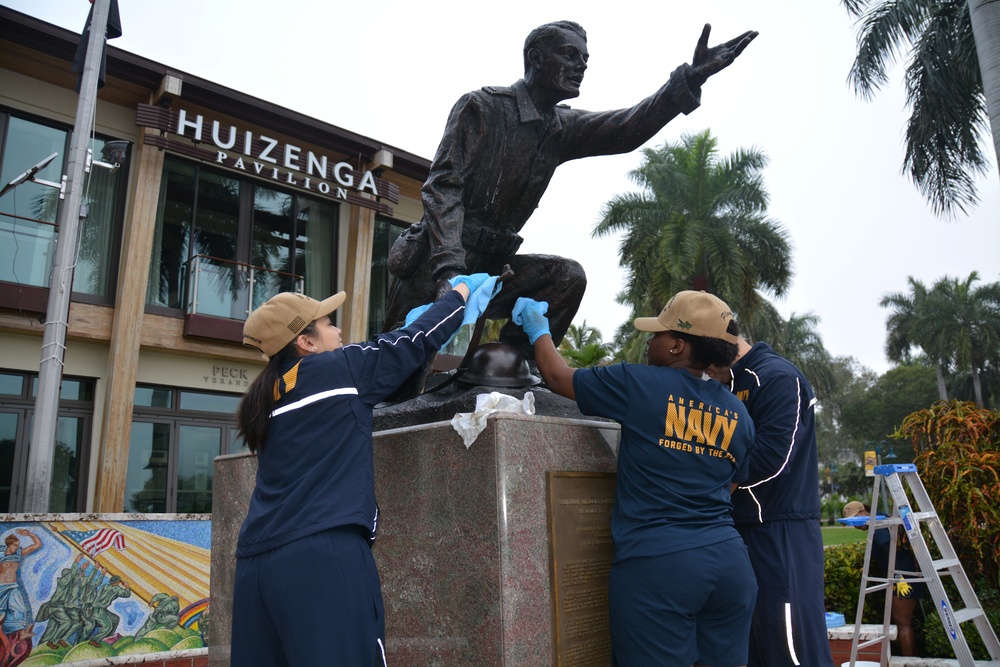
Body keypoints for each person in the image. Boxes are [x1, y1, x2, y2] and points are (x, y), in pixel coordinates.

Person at [383, 20, 757, 373]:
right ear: (536, 58)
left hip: (495, 267)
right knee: (402, 378)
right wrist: (450, 272)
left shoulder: (561, 127)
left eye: (585, 59)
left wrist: (689, 79)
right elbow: (443, 187)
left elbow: (626, 128)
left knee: (566, 278)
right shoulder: (483, 108)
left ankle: (510, 372)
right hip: (436, 261)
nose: (581, 66)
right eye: (570, 54)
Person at [230, 274, 498, 667]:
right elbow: (416, 340)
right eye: (327, 324)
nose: (338, 331)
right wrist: (460, 294)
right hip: (321, 560)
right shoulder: (339, 369)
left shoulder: (266, 397)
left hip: (255, 567)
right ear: (306, 343)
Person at [513, 290, 758, 667]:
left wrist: (538, 330)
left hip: (659, 570)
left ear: (677, 345)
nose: (650, 340)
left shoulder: (638, 384)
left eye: (658, 334)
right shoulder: (739, 413)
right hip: (731, 567)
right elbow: (729, 485)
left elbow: (557, 377)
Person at [711, 337, 835, 667]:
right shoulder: (727, 384)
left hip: (780, 531)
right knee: (751, 645)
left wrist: (708, 490)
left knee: (789, 646)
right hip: (737, 528)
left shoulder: (778, 377)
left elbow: (773, 460)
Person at [843, 500, 926, 656]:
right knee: (903, 621)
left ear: (863, 512)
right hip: (904, 574)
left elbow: (891, 552)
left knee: (903, 623)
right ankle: (914, 659)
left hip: (903, 577)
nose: (854, 525)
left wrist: (899, 578)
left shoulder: (878, 527)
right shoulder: (880, 519)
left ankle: (909, 662)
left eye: (855, 520)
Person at [0, 528, 41, 634]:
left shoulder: (18, 553)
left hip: (13, 586)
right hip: (1, 587)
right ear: (9, 544)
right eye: (15, 545)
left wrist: (30, 534)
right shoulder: (1, 555)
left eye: (18, 545)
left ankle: (20, 633)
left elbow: (37, 545)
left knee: (19, 609)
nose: (17, 547)